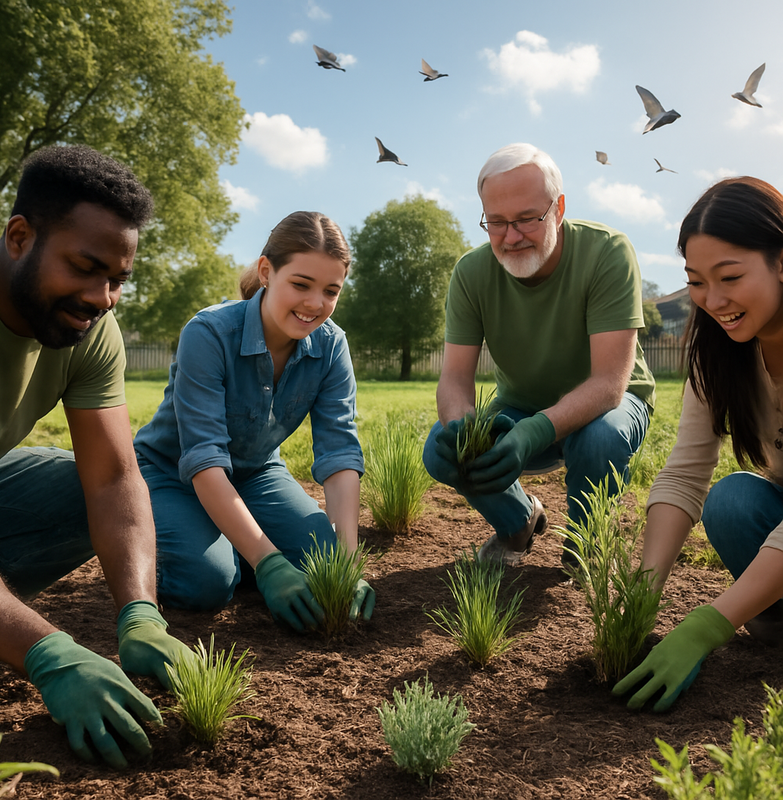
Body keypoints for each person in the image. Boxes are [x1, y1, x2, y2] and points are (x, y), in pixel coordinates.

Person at [0, 145, 192, 769]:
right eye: (85, 267)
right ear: (20, 237)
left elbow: (113, 479)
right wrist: (48, 651)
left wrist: (140, 611)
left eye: (119, 279)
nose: (103, 298)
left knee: (83, 488)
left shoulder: (90, 328)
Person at [133, 211, 374, 631]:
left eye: (331, 290)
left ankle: (236, 544)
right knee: (208, 583)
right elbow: (203, 459)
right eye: (300, 284)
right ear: (267, 271)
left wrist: (349, 563)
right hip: (170, 474)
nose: (315, 303)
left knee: (325, 561)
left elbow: (339, 455)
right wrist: (268, 562)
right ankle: (218, 552)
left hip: (257, 474)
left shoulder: (332, 347)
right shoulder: (208, 334)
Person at [422, 143, 655, 566]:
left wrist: (532, 433)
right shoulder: (471, 273)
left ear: (559, 208)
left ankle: (586, 548)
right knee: (442, 448)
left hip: (611, 406)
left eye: (527, 218)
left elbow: (608, 384)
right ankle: (518, 522)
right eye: (496, 222)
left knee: (598, 437)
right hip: (519, 404)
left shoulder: (607, 252)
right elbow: (455, 378)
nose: (511, 237)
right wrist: (462, 428)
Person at [614, 176, 783, 712]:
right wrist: (643, 593)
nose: (714, 301)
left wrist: (708, 624)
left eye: (730, 276)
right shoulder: (720, 354)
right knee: (733, 503)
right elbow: (685, 474)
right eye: (696, 281)